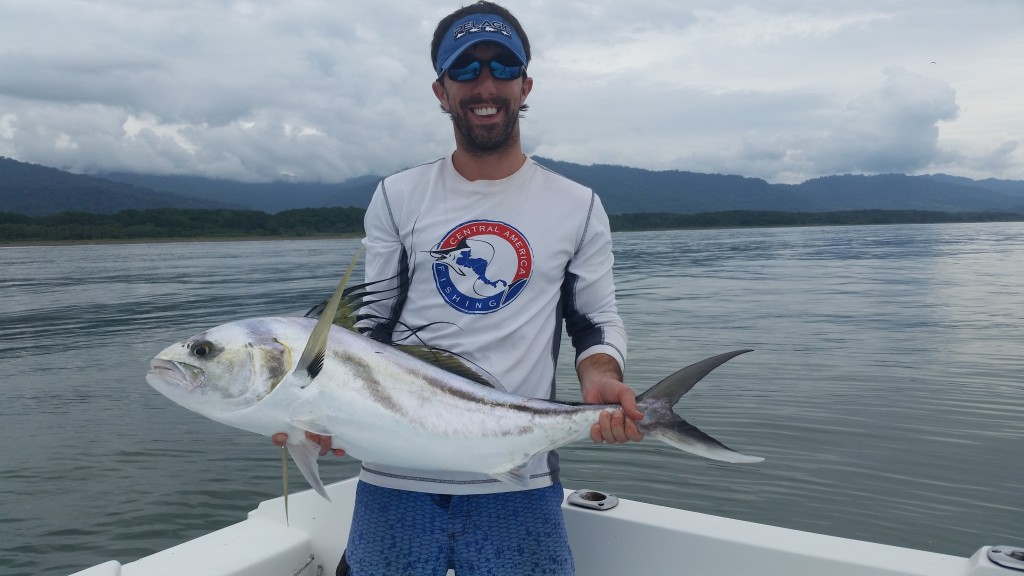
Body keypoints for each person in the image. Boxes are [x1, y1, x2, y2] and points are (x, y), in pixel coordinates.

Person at [276, 2, 642, 574]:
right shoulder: (398, 196)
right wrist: (319, 409)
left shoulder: (578, 205)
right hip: (394, 474)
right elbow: (370, 329)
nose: (485, 85)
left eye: (501, 67)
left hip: (517, 479)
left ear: (526, 84)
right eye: (465, 71)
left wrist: (601, 376)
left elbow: (594, 321)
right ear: (441, 90)